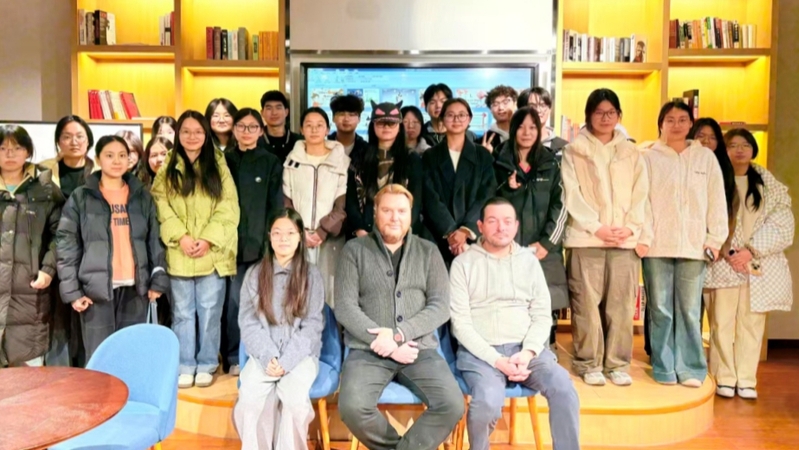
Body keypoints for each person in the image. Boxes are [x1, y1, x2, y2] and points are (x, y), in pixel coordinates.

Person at [335, 184, 464, 450]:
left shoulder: (429, 251)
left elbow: (440, 306)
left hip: (418, 349)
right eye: (387, 210)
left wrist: (397, 336)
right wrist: (383, 342)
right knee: (352, 407)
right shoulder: (354, 250)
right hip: (368, 350)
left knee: (452, 405)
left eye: (401, 211)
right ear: (375, 213)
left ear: (411, 214)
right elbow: (346, 307)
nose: (395, 217)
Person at [450, 197, 580, 450]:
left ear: (516, 226)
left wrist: (528, 351)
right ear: (480, 226)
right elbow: (460, 325)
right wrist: (497, 360)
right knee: (486, 403)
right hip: (481, 354)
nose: (501, 227)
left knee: (564, 388)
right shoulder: (463, 264)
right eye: (493, 221)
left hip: (527, 351)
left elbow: (542, 315)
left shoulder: (529, 262)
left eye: (507, 221)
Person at [561, 88, 649, 386]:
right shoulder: (573, 151)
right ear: (589, 116)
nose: (605, 117)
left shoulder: (632, 151)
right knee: (585, 305)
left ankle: (617, 364)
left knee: (621, 306)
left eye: (611, 112)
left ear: (619, 116)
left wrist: (631, 227)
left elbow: (642, 194)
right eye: (599, 112)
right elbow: (571, 194)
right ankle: (588, 363)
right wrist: (595, 226)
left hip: (624, 241)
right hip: (586, 240)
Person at [638, 101, 728, 387]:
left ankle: (691, 368)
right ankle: (664, 367)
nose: (676, 125)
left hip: (694, 246)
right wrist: (644, 237)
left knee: (689, 310)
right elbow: (642, 201)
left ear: (691, 124)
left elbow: (716, 200)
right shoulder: (648, 156)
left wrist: (715, 239)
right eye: (670, 119)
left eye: (682, 119)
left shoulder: (705, 158)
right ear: (661, 124)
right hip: (656, 246)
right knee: (660, 309)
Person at [56, 135, 169, 361]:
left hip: (136, 289)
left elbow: (154, 241)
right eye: (109, 155)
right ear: (98, 159)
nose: (117, 161)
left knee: (131, 356)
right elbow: (66, 245)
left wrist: (158, 280)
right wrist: (73, 292)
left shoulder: (141, 196)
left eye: (122, 155)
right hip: (95, 292)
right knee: (100, 358)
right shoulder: (81, 197)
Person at [152, 110, 240, 389]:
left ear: (206, 134)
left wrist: (208, 239)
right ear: (178, 134)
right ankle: (184, 364)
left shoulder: (218, 164)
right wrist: (181, 236)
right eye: (186, 131)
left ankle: (207, 363)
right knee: (182, 313)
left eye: (198, 131)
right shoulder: (168, 165)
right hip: (179, 252)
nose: (192, 137)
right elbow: (159, 204)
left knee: (210, 312)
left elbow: (229, 207)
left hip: (210, 254)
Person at [704, 129, 794, 400]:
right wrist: (730, 250)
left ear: (754, 149)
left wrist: (750, 250)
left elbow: (782, 222)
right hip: (723, 261)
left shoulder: (769, 184)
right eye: (733, 145)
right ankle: (723, 376)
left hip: (756, 262)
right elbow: (707, 217)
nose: (740, 150)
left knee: (752, 323)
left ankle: (746, 379)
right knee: (721, 321)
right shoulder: (716, 178)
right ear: (725, 149)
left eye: (745, 145)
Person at [234, 208, 325, 450]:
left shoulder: (312, 275)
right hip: (264, 356)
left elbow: (313, 325)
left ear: (300, 237)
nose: (283, 238)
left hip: (300, 356)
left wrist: (287, 360)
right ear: (269, 237)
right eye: (277, 233)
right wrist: (268, 357)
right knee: (250, 402)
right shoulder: (255, 274)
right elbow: (249, 323)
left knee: (294, 403)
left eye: (290, 233)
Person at [494, 107, 568, 353]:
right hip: (508, 249)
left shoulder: (550, 162)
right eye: (521, 127)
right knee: (510, 303)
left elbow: (561, 205)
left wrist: (547, 243)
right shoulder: (498, 161)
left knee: (543, 304)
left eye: (532, 127)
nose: (527, 132)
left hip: (543, 248)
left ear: (540, 130)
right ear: (513, 129)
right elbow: (490, 204)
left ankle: (543, 354)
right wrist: (508, 189)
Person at [223, 108, 284, 376]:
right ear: (234, 129)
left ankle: (262, 355)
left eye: (252, 127)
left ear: (260, 131)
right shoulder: (223, 160)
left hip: (259, 245)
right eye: (241, 126)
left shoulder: (270, 162)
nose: (246, 132)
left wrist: (271, 242)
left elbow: (275, 206)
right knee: (233, 303)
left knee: (263, 303)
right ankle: (233, 357)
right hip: (228, 246)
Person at [0, 125, 64, 367]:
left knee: (27, 374)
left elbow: (61, 234)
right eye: (2, 148)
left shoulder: (44, 187)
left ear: (27, 151)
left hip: (30, 289)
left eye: (17, 148)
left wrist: (48, 269)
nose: (9, 154)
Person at [40, 115, 100, 367]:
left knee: (89, 312)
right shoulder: (42, 172)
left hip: (91, 254)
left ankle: (91, 370)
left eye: (79, 136)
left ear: (88, 141)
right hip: (53, 252)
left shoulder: (100, 171)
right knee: (58, 316)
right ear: (58, 141)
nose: (73, 142)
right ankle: (60, 374)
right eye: (66, 137)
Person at [283, 107, 349, 307]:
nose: (314, 130)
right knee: (298, 291)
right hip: (298, 237)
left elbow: (342, 204)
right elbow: (287, 201)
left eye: (319, 125)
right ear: (301, 129)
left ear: (327, 129)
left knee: (329, 294)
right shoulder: (291, 161)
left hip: (329, 239)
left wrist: (322, 231)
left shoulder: (341, 161)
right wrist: (299, 231)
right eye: (309, 125)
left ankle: (328, 329)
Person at [422, 98, 497, 266]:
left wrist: (465, 230)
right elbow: (429, 197)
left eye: (462, 115)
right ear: (442, 119)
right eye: (450, 115)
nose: (456, 119)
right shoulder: (430, 156)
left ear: (469, 119)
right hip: (439, 237)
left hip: (474, 237)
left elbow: (487, 194)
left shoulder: (482, 155)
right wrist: (450, 232)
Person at [346, 101, 423, 239]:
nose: (386, 127)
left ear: (399, 127)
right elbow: (351, 199)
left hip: (401, 233)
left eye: (391, 123)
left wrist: (402, 232)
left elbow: (416, 200)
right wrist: (359, 229)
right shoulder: (359, 157)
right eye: (381, 123)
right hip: (364, 234)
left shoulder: (412, 159)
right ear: (373, 126)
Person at [517, 87, 569, 159]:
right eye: (532, 106)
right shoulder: (512, 146)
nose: (538, 110)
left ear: (550, 109)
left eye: (542, 105)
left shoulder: (563, 147)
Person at [258, 90, 303, 163]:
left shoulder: (299, 142)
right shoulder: (256, 142)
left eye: (278, 108)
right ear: (262, 113)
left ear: (286, 112)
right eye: (269, 108)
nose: (274, 112)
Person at [477, 85, 517, 155]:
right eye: (495, 104)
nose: (501, 108)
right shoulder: (483, 142)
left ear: (515, 104)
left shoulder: (526, 133)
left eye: (505, 102)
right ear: (490, 110)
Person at [328, 94, 368, 161]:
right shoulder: (323, 146)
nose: (346, 119)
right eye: (341, 114)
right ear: (333, 118)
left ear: (359, 119)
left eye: (351, 115)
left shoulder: (367, 150)